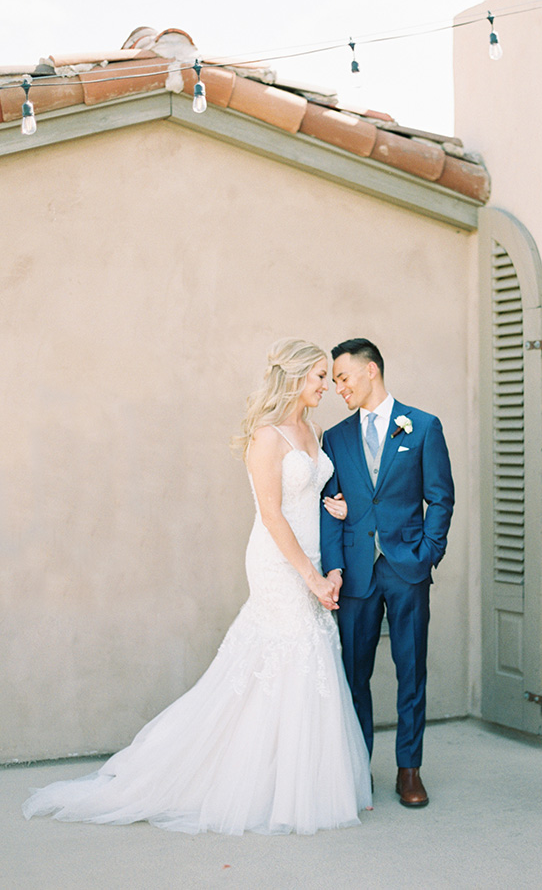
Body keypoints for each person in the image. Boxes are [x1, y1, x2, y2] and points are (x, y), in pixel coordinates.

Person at [23, 339, 372, 836]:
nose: (326, 386)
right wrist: (311, 576)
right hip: (278, 562)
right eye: (319, 376)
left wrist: (331, 519)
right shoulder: (266, 437)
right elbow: (272, 514)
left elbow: (314, 496)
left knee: (311, 657)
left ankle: (297, 783)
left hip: (314, 557)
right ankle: (237, 781)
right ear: (295, 377)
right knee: (284, 653)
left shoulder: (313, 432)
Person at [321, 338, 454, 808]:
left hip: (406, 568)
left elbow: (441, 496)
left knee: (410, 671)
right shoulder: (333, 438)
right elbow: (329, 507)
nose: (338, 387)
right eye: (335, 380)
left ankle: (409, 770)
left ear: (370, 370)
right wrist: (334, 567)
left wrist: (427, 554)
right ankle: (359, 769)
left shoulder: (422, 426)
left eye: (343, 377)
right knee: (354, 674)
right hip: (356, 573)